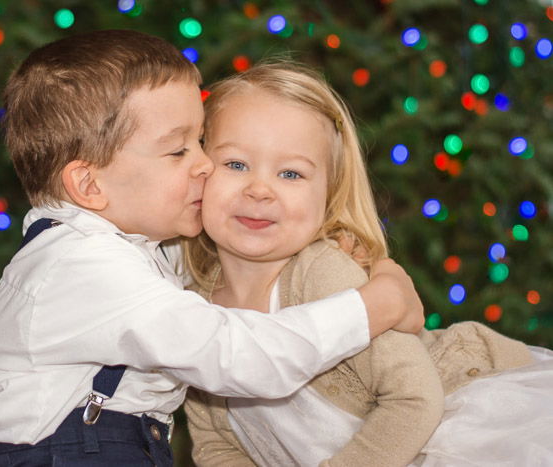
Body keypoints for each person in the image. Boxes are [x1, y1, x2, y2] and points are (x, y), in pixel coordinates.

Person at [0, 30, 425, 466]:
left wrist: (356, 252)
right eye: (179, 150)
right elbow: (238, 355)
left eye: (201, 142)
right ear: (89, 183)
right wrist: (370, 305)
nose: (206, 165)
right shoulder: (83, 267)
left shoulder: (136, 249)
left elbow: (218, 258)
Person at [183, 62, 553, 466]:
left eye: (291, 173)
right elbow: (218, 445)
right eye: (236, 164)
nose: (259, 189)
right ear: (199, 168)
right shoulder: (193, 308)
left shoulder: (320, 273)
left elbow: (415, 399)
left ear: (328, 193)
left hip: (457, 417)